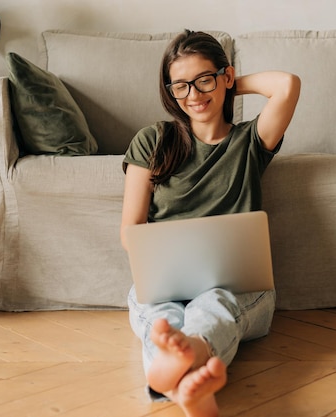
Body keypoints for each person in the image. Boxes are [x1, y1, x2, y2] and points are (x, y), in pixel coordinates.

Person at [120, 30, 300, 417]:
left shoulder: (251, 141)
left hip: (238, 287)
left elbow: (287, 85)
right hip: (163, 281)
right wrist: (211, 82)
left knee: (214, 304)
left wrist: (229, 84)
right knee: (162, 318)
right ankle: (188, 385)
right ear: (170, 91)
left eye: (204, 79)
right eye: (180, 86)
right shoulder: (153, 140)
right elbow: (130, 229)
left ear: (226, 77)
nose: (194, 95)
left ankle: (180, 365)